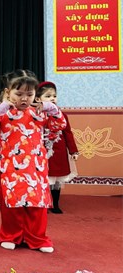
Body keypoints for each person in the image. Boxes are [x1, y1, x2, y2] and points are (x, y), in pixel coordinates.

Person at [0, 69, 66, 253]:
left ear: (35, 95)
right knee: (12, 205)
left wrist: (52, 109)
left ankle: (38, 238)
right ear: (8, 93)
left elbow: (59, 126)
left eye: (29, 94)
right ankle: (10, 235)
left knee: (37, 205)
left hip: (36, 167)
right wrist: (1, 109)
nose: (24, 98)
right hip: (11, 166)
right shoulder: (3, 114)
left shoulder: (39, 113)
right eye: (19, 94)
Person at [36, 81, 79, 214]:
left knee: (56, 180)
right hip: (42, 152)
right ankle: (44, 204)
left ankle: (55, 204)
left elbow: (68, 134)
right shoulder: (37, 115)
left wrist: (73, 151)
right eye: (48, 96)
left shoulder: (62, 115)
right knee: (44, 179)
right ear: (38, 99)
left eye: (54, 96)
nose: (52, 99)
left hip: (59, 153)